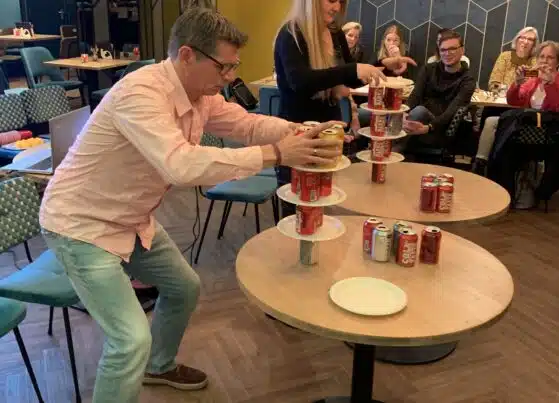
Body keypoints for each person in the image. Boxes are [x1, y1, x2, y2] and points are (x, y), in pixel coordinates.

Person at [39, 9, 343, 403]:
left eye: (233, 67)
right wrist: (277, 153)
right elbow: (179, 165)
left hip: (130, 217)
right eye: (224, 66)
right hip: (80, 225)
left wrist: (297, 130)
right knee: (130, 340)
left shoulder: (201, 94)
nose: (230, 77)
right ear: (187, 55)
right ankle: (143, 363)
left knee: (184, 288)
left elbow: (247, 124)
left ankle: (158, 366)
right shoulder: (141, 93)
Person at [273, 0, 415, 217]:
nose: (337, 8)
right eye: (331, 0)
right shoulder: (290, 34)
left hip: (330, 131)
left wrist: (382, 66)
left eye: (341, 2)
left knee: (325, 205)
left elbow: (350, 77)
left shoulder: (334, 33)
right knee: (297, 210)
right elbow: (300, 81)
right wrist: (351, 70)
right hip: (298, 132)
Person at [473, 40, 559, 173]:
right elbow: (513, 101)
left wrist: (550, 83)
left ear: (558, 62)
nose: (544, 61)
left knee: (508, 127)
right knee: (491, 121)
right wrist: (517, 83)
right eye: (541, 57)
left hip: (551, 128)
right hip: (527, 124)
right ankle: (481, 163)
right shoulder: (533, 77)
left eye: (550, 57)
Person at [402, 30, 476, 153]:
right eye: (443, 50)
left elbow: (452, 111)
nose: (447, 53)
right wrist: (404, 112)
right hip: (418, 118)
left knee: (419, 111)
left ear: (462, 50)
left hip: (441, 127)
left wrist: (429, 127)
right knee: (376, 114)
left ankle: (392, 150)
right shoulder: (428, 69)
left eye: (452, 49)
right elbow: (415, 95)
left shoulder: (468, 79)